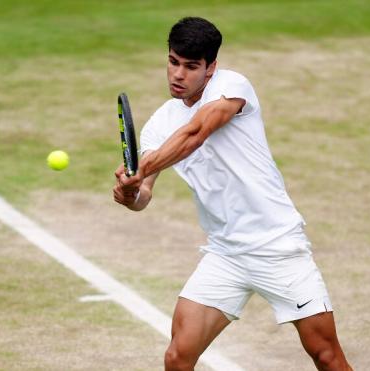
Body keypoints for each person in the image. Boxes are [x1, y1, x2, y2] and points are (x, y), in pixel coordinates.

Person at [113, 16, 352, 371]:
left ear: (211, 68)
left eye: (191, 66)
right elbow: (144, 195)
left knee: (326, 355)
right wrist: (130, 194)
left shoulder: (232, 87)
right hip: (225, 254)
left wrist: (141, 169)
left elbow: (196, 133)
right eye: (173, 62)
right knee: (177, 357)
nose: (178, 75)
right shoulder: (158, 125)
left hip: (278, 248)